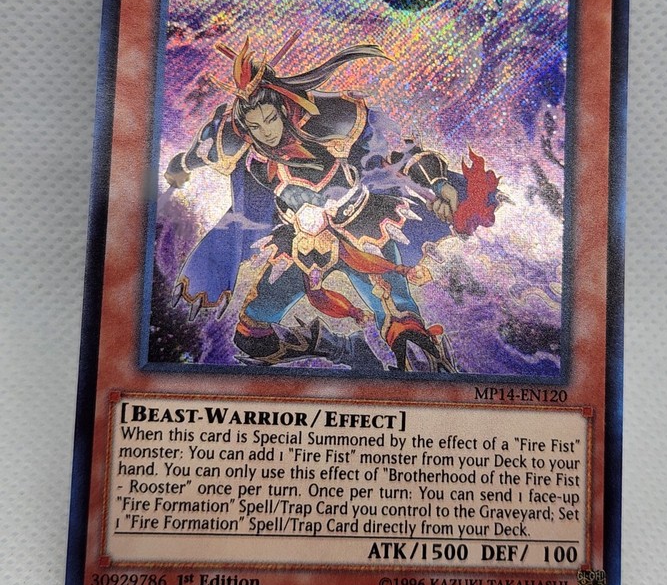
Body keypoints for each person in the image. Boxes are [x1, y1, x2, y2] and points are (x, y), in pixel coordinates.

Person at [165, 34, 495, 372]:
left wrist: (438, 184)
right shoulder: (243, 145)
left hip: (363, 234)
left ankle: (426, 380)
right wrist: (179, 167)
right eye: (256, 126)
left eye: (271, 120)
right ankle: (336, 347)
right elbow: (198, 155)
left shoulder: (331, 120)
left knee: (403, 327)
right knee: (252, 336)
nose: (267, 132)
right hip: (303, 249)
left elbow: (396, 152)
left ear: (284, 111)